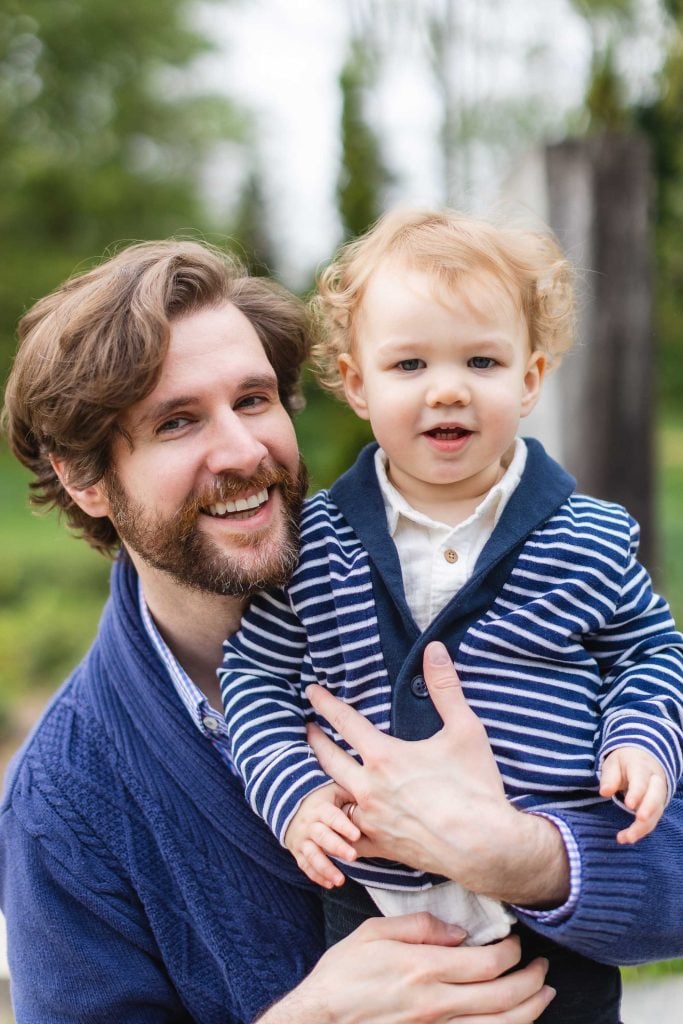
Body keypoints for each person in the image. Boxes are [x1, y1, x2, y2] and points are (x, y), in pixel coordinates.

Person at [0, 238, 559, 1023]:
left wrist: (530, 860)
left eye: (254, 400)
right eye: (176, 422)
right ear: (83, 479)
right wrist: (316, 1017)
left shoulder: (458, 585)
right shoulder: (64, 803)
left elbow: (663, 875)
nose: (241, 449)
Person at [219, 209, 683, 1020]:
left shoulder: (588, 537)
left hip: (551, 939)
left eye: (480, 359)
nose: (447, 387)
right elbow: (254, 676)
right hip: (376, 912)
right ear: (357, 383)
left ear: (529, 377)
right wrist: (294, 797)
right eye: (408, 363)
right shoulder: (316, 544)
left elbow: (647, 651)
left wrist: (641, 739)